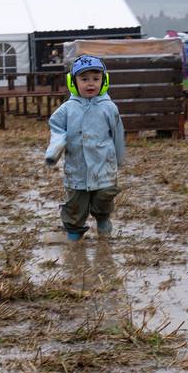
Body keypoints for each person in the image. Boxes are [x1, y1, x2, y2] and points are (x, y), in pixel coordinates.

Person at [44, 55, 125, 241]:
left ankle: (103, 221)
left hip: (104, 166)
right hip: (77, 168)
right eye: (84, 79)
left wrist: (119, 157)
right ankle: (74, 235)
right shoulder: (67, 109)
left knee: (104, 198)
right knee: (75, 205)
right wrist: (54, 151)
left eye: (96, 79)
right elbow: (56, 129)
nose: (91, 84)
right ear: (73, 82)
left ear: (104, 81)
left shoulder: (109, 107)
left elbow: (118, 134)